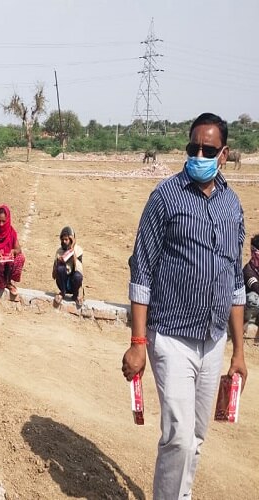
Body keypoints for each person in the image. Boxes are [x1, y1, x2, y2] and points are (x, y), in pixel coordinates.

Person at [122, 112, 248, 500]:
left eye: (207, 149)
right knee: (176, 435)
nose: (198, 154)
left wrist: (239, 351)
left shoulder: (232, 205)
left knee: (196, 435)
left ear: (223, 154)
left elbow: (234, 282)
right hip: (171, 337)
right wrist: (138, 342)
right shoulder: (165, 198)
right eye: (193, 147)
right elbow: (141, 269)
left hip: (212, 341)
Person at [52, 226, 84, 307]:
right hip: (63, 282)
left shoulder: (78, 250)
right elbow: (53, 276)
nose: (64, 241)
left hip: (74, 282)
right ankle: (62, 293)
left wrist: (72, 249)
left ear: (71, 240)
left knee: (78, 276)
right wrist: (58, 263)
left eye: (66, 239)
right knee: (60, 268)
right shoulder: (59, 251)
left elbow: (79, 271)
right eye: (62, 240)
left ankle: (75, 295)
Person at [243, 234, 259, 332]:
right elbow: (256, 288)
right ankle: (248, 321)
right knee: (253, 298)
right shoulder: (248, 271)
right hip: (247, 307)